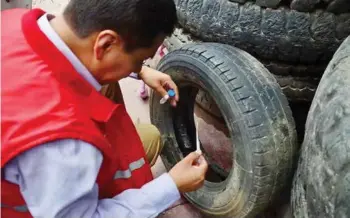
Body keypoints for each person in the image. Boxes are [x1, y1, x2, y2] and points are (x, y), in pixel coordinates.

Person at [1, 0, 208, 217]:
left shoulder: (14, 22)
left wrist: (140, 71)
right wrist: (171, 186)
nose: (140, 66)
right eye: (139, 60)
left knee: (151, 137)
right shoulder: (64, 142)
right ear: (106, 44)